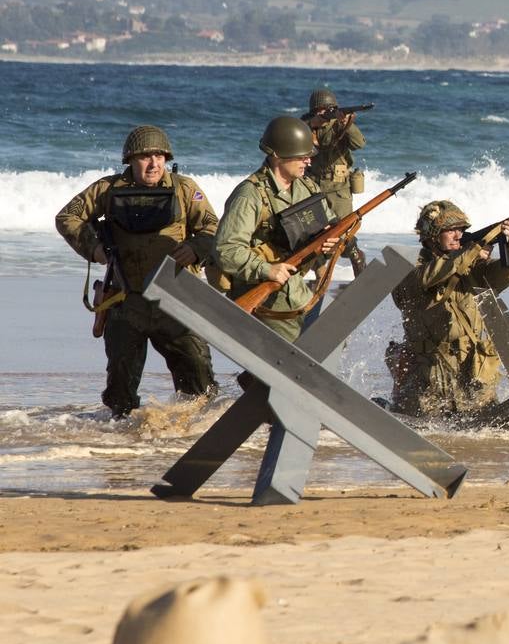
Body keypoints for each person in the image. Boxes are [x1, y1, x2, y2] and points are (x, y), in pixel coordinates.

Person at [55, 125, 218, 419]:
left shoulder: (184, 189)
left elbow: (211, 228)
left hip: (177, 302)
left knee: (200, 387)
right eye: (145, 156)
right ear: (130, 159)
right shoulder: (108, 189)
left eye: (159, 156)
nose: (154, 163)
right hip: (125, 302)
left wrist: (196, 248)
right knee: (120, 397)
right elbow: (68, 217)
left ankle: (189, 439)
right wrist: (94, 248)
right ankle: (123, 451)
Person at [387, 200, 509, 418]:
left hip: (472, 369)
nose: (458, 236)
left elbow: (502, 276)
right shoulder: (411, 267)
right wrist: (470, 252)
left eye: (461, 230)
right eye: (450, 230)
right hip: (429, 375)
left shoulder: (471, 265)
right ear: (432, 236)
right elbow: (427, 278)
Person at [215, 116, 340, 343]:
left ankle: (252, 380)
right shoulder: (250, 195)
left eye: (309, 156)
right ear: (278, 155)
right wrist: (266, 270)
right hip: (267, 301)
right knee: (300, 360)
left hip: (297, 292)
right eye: (301, 156)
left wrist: (332, 242)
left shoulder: (306, 187)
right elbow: (226, 250)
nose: (308, 162)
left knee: (331, 340)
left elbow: (330, 225)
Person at [303, 87, 369, 275]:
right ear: (314, 111)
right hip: (313, 187)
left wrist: (348, 124)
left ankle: (356, 256)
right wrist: (314, 123)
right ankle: (320, 274)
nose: (325, 113)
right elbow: (296, 134)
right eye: (321, 110)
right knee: (315, 234)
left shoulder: (340, 125)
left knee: (343, 231)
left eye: (329, 109)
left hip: (339, 188)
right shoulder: (306, 125)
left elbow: (359, 144)